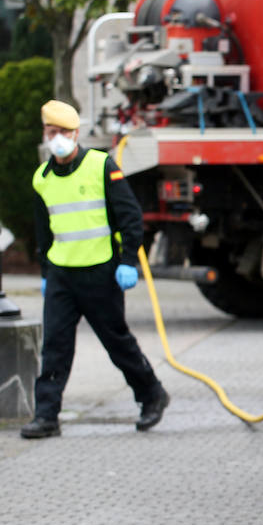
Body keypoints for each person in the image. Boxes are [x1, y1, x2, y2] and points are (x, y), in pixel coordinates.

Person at [22, 100, 169, 439]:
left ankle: (152, 395)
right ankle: (46, 416)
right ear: (45, 134)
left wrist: (127, 261)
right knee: (54, 347)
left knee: (116, 342)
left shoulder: (101, 166)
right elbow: (43, 231)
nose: (57, 138)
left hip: (100, 272)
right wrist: (44, 271)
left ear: (76, 134)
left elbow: (130, 216)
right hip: (61, 274)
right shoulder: (42, 178)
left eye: (63, 132)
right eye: (51, 132)